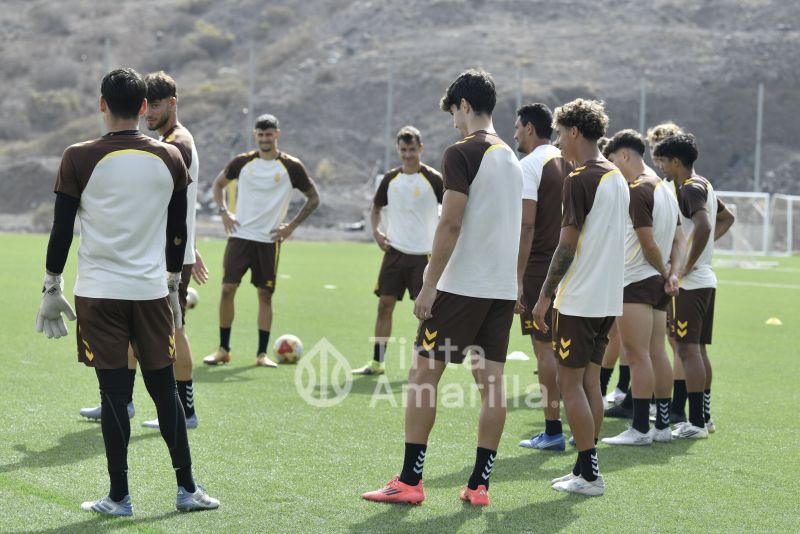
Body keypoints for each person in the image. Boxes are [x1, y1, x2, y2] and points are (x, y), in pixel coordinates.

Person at [35, 68, 218, 515]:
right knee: (165, 391)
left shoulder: (77, 156)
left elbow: (62, 229)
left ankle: (119, 497)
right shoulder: (170, 157)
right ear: (142, 107)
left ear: (102, 104)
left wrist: (51, 284)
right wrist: (174, 284)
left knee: (114, 396)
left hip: (99, 293)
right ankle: (188, 490)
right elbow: (178, 231)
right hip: (152, 290)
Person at [361, 69, 522, 507]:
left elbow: (450, 221)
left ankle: (410, 481)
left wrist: (429, 285)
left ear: (465, 106)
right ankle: (479, 485)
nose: (453, 120)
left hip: (462, 284)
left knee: (423, 377)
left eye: (454, 111)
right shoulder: (511, 156)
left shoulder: (462, 152)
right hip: (501, 288)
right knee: (492, 385)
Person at [77, 71, 208, 429]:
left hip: (165, 257)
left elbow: (168, 205)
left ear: (172, 104)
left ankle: (186, 410)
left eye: (157, 105)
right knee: (132, 331)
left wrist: (185, 249)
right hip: (163, 252)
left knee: (174, 331)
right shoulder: (168, 141)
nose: (148, 113)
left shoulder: (176, 143)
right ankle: (124, 403)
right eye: (147, 106)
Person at [532, 99, 628, 496]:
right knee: (592, 385)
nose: (557, 142)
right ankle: (585, 467)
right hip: (608, 299)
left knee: (570, 385)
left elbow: (566, 246)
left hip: (579, 298)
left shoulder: (580, 178)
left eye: (559, 133)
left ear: (574, 131)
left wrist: (543, 296)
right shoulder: (617, 176)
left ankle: (589, 475)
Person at [204, 114, 320, 367]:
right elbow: (218, 185)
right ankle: (223, 349)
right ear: (255, 135)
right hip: (240, 237)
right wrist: (224, 213)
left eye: (269, 134)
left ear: (277, 134)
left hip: (269, 241)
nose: (265, 139)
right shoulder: (243, 162)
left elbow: (314, 197)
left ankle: (261, 354)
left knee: (265, 295)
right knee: (227, 290)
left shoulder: (291, 166)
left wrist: (291, 226)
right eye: (260, 134)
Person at [600, 130, 684, 446]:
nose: (611, 170)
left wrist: (664, 269)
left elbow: (648, 242)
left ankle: (639, 428)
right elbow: (679, 240)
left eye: (611, 162)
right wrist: (672, 273)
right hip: (658, 283)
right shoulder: (665, 189)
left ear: (624, 156)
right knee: (655, 352)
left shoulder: (637, 190)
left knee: (636, 355)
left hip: (636, 280)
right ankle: (661, 426)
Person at [652, 133, 734, 438]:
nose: (660, 167)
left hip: (691, 283)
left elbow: (705, 225)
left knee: (686, 351)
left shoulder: (688, 188)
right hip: (704, 280)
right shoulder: (705, 184)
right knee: (696, 350)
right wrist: (701, 251)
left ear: (676, 161)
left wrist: (684, 264)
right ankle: (705, 418)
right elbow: (728, 218)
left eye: (662, 161)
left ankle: (696, 422)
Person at [352, 126, 443, 376]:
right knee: (384, 306)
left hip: (424, 256)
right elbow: (375, 208)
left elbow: (452, 209)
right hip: (394, 253)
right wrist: (377, 232)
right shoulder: (390, 179)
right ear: (398, 150)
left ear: (421, 149)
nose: (408, 155)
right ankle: (377, 362)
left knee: (426, 313)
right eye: (403, 150)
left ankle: (424, 364)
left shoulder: (434, 179)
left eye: (412, 150)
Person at [512, 103, 573, 452]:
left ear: (531, 128)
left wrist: (517, 279)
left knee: (545, 350)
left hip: (540, 266)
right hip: (573, 265)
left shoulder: (531, 165)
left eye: (518, 127)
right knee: (571, 348)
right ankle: (581, 429)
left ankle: (552, 430)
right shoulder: (572, 160)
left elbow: (527, 225)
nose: (516, 133)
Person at [646, 121, 689, 424]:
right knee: (659, 341)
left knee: (676, 343)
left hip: (675, 275)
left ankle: (680, 409)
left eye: (661, 146)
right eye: (653, 147)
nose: (655, 154)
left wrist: (685, 262)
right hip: (670, 271)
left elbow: (714, 221)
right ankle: (660, 403)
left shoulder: (681, 186)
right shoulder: (665, 186)